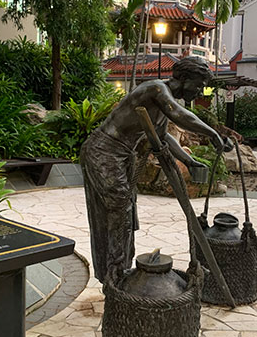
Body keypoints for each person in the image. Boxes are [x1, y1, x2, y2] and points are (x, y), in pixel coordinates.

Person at [81, 56, 227, 283]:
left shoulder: (160, 104)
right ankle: (113, 274)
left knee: (127, 213)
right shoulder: (155, 88)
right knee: (119, 207)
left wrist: (189, 162)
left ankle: (120, 269)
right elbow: (178, 113)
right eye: (198, 85)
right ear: (184, 79)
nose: (200, 92)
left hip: (123, 155)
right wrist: (213, 133)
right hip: (104, 151)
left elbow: (163, 137)